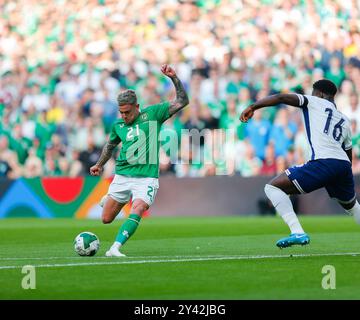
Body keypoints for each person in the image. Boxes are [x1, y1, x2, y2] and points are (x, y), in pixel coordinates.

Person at [240, 79, 360, 248]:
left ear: (320, 93)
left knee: (273, 187)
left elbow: (282, 98)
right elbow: (348, 150)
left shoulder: (313, 101)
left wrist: (253, 106)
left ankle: (297, 231)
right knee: (352, 206)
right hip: (342, 165)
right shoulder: (344, 119)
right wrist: (344, 171)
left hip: (323, 161)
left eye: (313, 91)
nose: (311, 94)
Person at [90, 65, 189, 257]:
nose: (124, 116)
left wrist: (174, 78)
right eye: (121, 112)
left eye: (127, 112)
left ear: (137, 107)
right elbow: (110, 146)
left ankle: (115, 248)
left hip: (146, 178)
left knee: (139, 207)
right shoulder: (118, 124)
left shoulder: (153, 114)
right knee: (106, 218)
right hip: (122, 175)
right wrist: (99, 164)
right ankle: (109, 200)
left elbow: (183, 101)